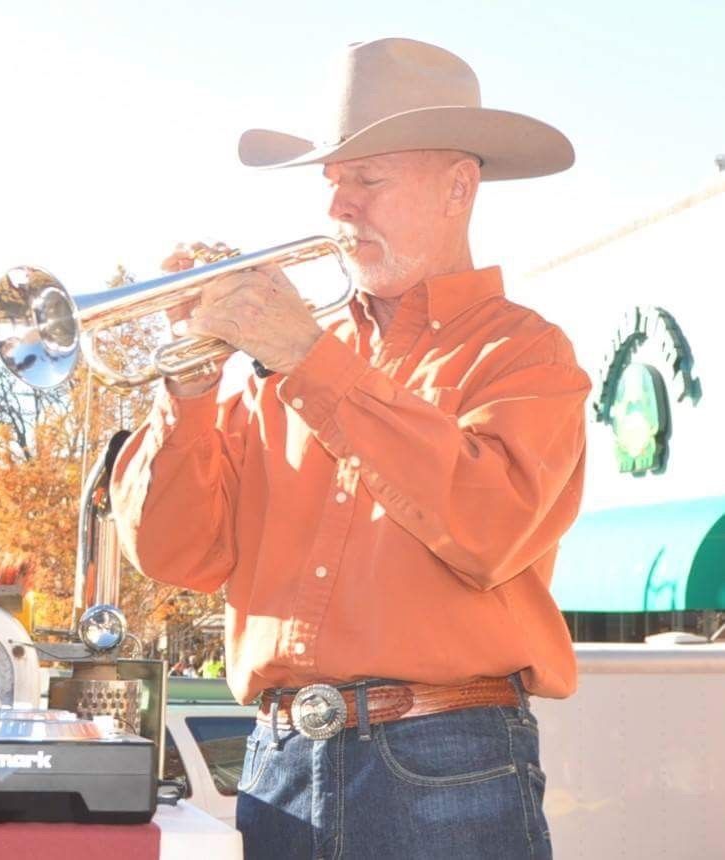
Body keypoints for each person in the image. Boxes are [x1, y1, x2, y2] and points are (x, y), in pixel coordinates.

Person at [110, 38, 587, 859]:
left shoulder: (525, 352)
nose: (338, 209)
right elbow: (174, 554)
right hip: (279, 759)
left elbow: (488, 525)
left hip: (449, 760)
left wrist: (305, 359)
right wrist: (186, 386)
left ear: (457, 187)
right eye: (332, 184)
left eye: (366, 180)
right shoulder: (283, 361)